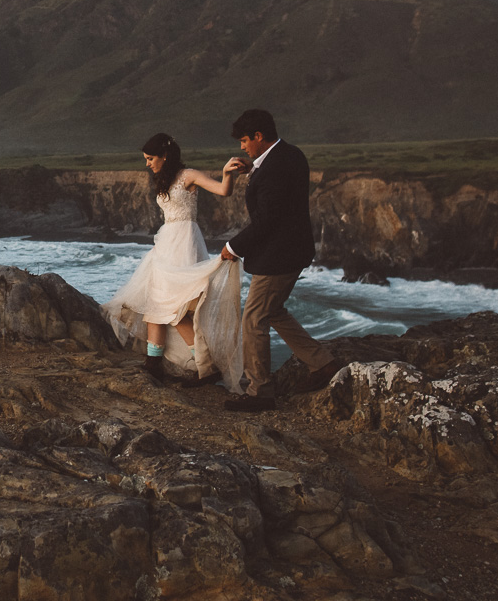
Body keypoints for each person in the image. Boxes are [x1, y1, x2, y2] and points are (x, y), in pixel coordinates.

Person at [101, 132, 248, 388]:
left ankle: (207, 366)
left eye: (150, 158)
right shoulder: (163, 179)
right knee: (156, 302)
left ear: (165, 155)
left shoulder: (188, 175)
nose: (147, 163)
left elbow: (224, 191)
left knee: (176, 308)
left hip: (185, 242)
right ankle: (153, 363)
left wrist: (226, 173)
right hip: (166, 242)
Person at [218, 109, 340, 411]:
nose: (242, 148)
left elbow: (268, 220)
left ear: (259, 136)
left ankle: (260, 392)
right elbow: (277, 189)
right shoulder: (291, 155)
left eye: (245, 141)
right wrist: (254, 168)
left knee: (254, 317)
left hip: (279, 253)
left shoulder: (273, 168)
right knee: (273, 311)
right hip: (292, 249)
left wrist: (233, 247)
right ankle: (322, 363)